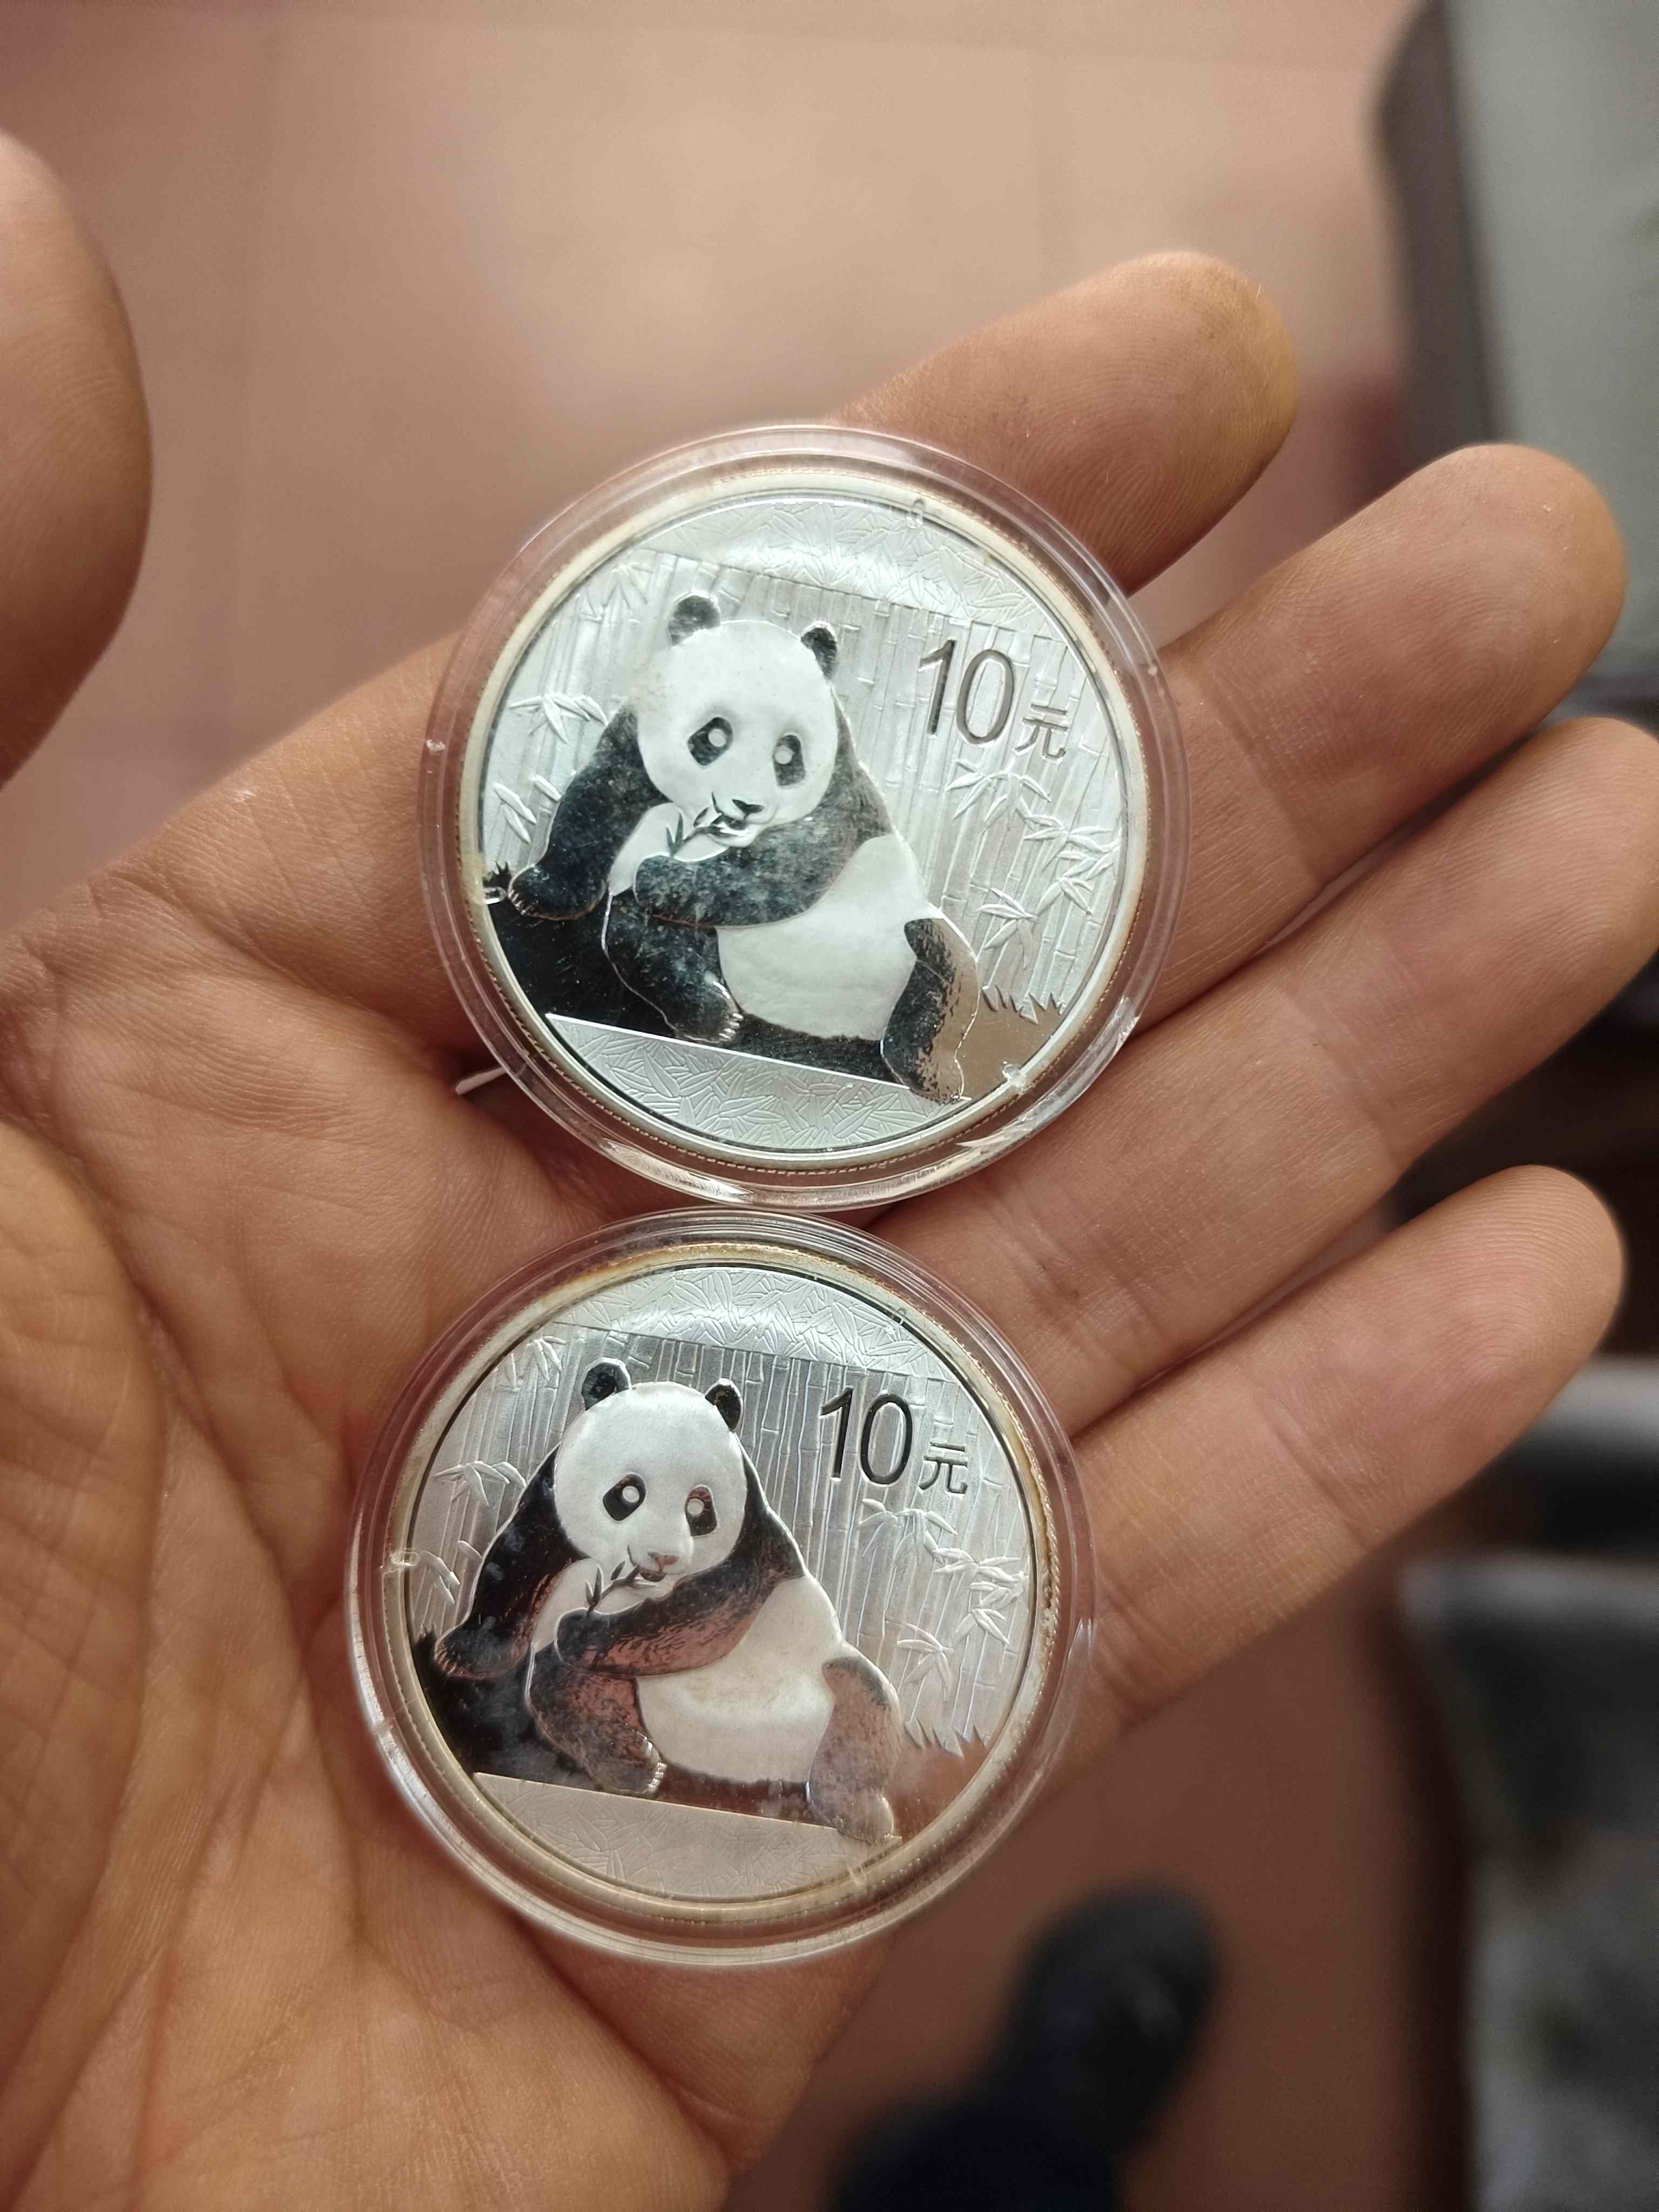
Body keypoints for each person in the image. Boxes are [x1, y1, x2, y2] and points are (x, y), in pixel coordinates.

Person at [0, 130, 1654, 2209]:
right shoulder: (642, 807)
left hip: (847, 1035)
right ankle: (1012, 2145)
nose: (751, 774)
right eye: (712, 747)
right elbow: (593, 892)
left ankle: (1005, 2145)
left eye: (784, 752)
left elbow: (767, 893)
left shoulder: (828, 836)